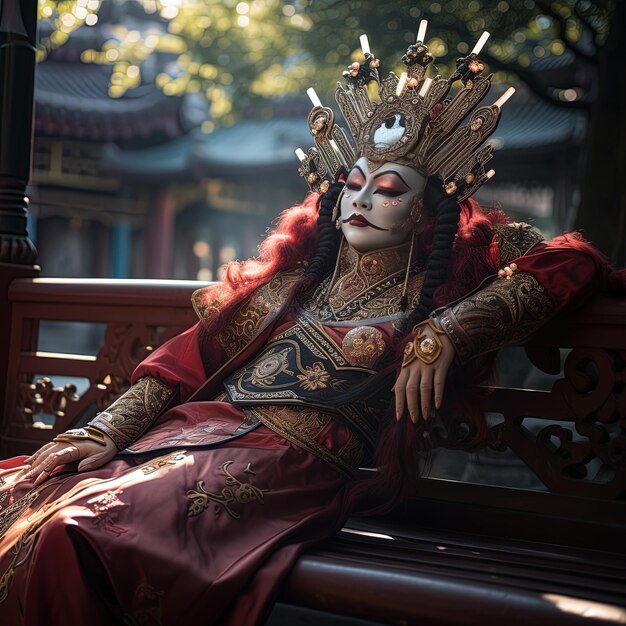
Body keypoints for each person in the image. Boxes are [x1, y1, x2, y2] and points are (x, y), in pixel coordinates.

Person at [0, 26, 621, 626]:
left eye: (386, 190)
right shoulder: (293, 288)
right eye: (352, 186)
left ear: (426, 209)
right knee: (23, 497)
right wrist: (108, 430)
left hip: (291, 464)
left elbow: (574, 261)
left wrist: (451, 329)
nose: (361, 201)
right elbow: (182, 363)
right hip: (189, 437)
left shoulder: (443, 289)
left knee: (73, 533)